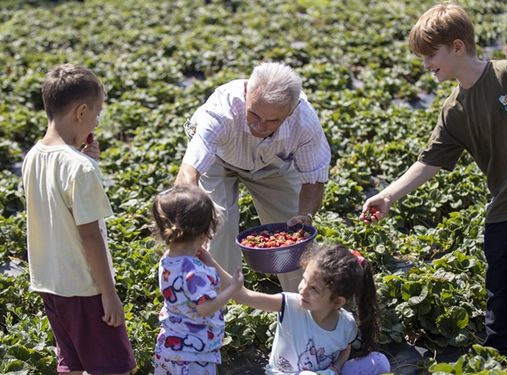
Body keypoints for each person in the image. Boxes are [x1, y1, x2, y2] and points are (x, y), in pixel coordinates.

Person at [361, 3, 507, 355]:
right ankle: (499, 354)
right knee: (500, 289)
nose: (425, 65)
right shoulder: (453, 110)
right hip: (505, 206)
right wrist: (389, 196)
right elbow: (429, 162)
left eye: (429, 55)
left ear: (457, 47)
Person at [175, 61, 331, 292]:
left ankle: (302, 304)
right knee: (217, 224)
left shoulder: (304, 121)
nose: (259, 126)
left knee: (293, 232)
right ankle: (220, 301)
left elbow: (314, 179)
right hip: (219, 159)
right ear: (247, 92)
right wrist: (193, 209)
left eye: (272, 121)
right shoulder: (221, 110)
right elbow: (189, 171)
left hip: (272, 163)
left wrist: (306, 215)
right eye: (254, 114)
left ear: (291, 110)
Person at [21, 64, 136, 374]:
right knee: (116, 368)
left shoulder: (32, 156)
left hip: (50, 283)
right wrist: (109, 294)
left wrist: (85, 158)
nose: (97, 120)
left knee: (71, 363)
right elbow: (89, 235)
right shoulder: (80, 169)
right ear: (81, 111)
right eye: (97, 112)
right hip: (85, 287)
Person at [204, 244, 390, 374]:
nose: (302, 289)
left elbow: (345, 349)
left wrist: (335, 369)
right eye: (304, 280)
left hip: (325, 373)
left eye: (314, 289)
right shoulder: (289, 305)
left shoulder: (347, 325)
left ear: (337, 302)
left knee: (380, 362)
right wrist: (209, 261)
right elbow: (243, 296)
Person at [151, 184, 244, 375]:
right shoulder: (196, 272)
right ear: (206, 231)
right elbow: (205, 308)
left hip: (168, 346)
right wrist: (232, 289)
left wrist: (209, 262)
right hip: (194, 355)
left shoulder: (167, 259)